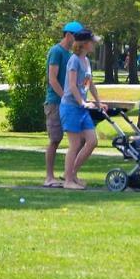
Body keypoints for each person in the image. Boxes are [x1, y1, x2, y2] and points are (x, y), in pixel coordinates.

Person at [43, 21, 84, 188]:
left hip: (68, 104)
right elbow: (52, 79)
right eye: (77, 36)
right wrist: (65, 98)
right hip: (55, 102)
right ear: (68, 35)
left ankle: (69, 174)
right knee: (55, 139)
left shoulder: (71, 55)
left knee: (78, 139)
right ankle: (49, 177)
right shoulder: (56, 51)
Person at [59, 30, 102, 190]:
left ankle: (72, 174)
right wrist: (82, 102)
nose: (94, 44)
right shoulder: (74, 60)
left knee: (92, 142)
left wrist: (98, 102)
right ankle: (68, 181)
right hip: (71, 107)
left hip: (81, 108)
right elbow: (71, 85)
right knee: (74, 144)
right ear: (84, 43)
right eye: (92, 41)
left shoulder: (86, 61)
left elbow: (89, 84)